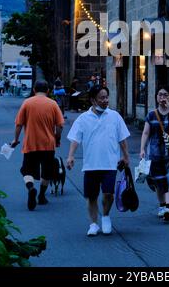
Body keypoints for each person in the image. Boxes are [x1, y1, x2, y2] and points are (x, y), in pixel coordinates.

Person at [66, 85, 130, 236]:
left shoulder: (115, 116)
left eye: (106, 97)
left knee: (109, 194)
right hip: (91, 164)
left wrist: (126, 156)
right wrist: (70, 156)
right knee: (92, 196)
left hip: (110, 163)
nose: (105, 100)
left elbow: (122, 138)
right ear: (93, 100)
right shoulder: (83, 119)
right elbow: (75, 139)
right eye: (101, 97)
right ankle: (93, 223)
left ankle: (106, 216)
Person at [10, 80, 64, 211]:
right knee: (47, 171)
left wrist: (15, 140)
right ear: (48, 91)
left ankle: (30, 187)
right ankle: (41, 196)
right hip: (48, 144)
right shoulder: (53, 104)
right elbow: (60, 125)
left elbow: (18, 124)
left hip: (30, 143)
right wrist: (57, 138)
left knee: (27, 170)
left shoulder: (27, 103)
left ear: (34, 90)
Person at [140, 85, 169, 222]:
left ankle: (168, 208)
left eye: (165, 95)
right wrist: (142, 149)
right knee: (159, 183)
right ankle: (162, 205)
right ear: (156, 97)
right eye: (160, 95)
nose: (162, 97)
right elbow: (146, 133)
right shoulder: (151, 114)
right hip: (155, 154)